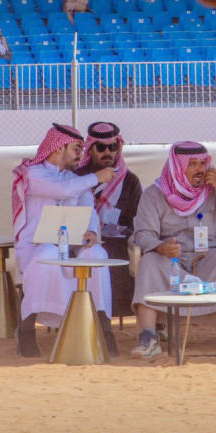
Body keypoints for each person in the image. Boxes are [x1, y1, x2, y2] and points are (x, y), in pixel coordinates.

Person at [129, 141, 216, 359]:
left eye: (203, 163)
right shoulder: (154, 194)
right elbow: (143, 234)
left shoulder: (214, 191)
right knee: (148, 262)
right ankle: (148, 336)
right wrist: (160, 247)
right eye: (192, 164)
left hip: (208, 257)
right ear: (178, 168)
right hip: (171, 260)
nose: (200, 170)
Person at [11, 122, 118, 358]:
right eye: (77, 149)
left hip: (69, 250)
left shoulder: (74, 180)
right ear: (59, 149)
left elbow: (87, 208)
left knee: (97, 254)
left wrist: (91, 232)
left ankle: (103, 326)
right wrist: (96, 177)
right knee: (47, 252)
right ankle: (26, 329)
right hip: (35, 251)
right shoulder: (33, 174)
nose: (82, 154)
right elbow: (62, 190)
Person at [75, 122, 142, 319]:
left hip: (117, 241)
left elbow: (136, 220)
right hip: (80, 238)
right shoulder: (78, 176)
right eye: (101, 147)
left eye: (113, 147)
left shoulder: (129, 181)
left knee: (116, 254)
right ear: (90, 148)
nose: (108, 152)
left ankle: (107, 317)